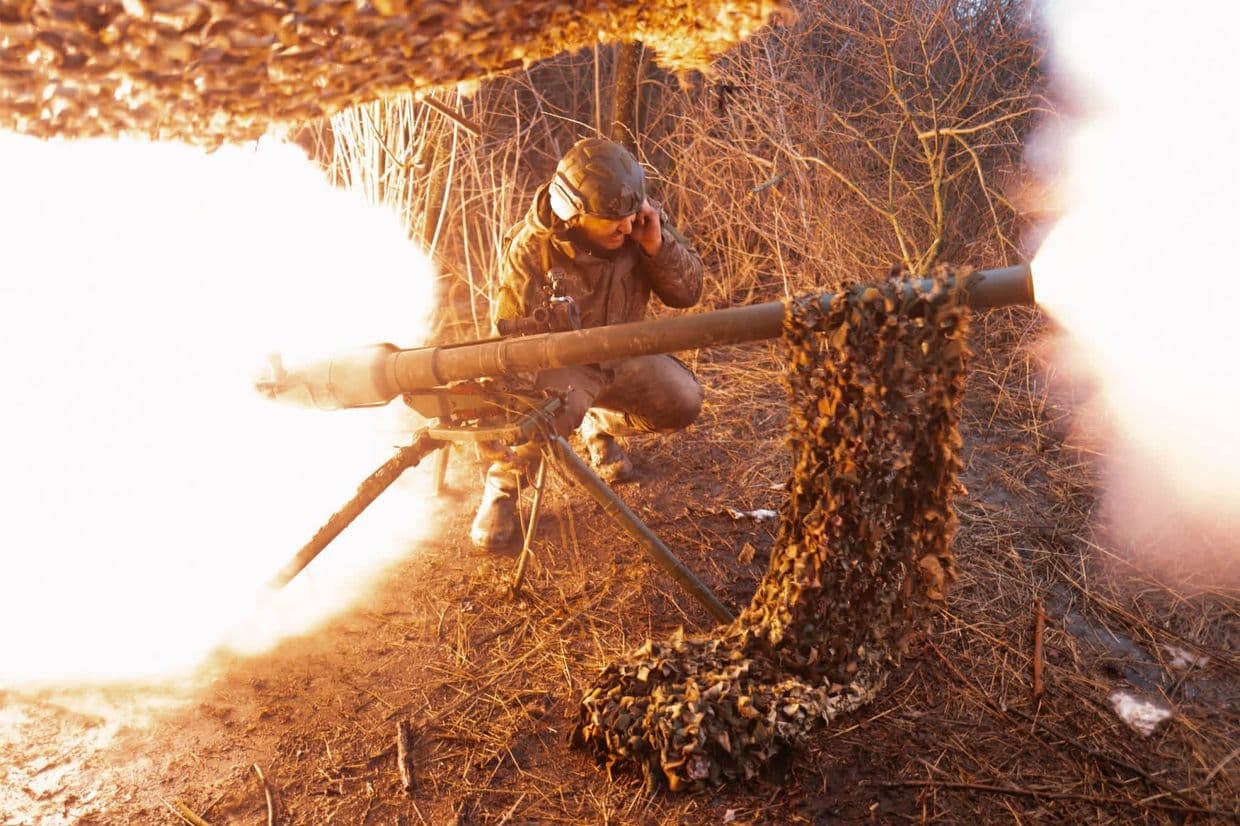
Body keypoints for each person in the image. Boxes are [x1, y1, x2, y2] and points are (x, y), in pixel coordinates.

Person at [470, 137, 706, 550]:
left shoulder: (639, 224)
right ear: (573, 212)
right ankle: (502, 489)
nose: (627, 226)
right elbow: (508, 342)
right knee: (541, 413)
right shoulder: (532, 249)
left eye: (633, 214)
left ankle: (599, 423)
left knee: (683, 400)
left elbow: (688, 293)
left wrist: (657, 246)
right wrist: (528, 409)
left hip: (624, 352)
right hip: (566, 367)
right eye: (612, 219)